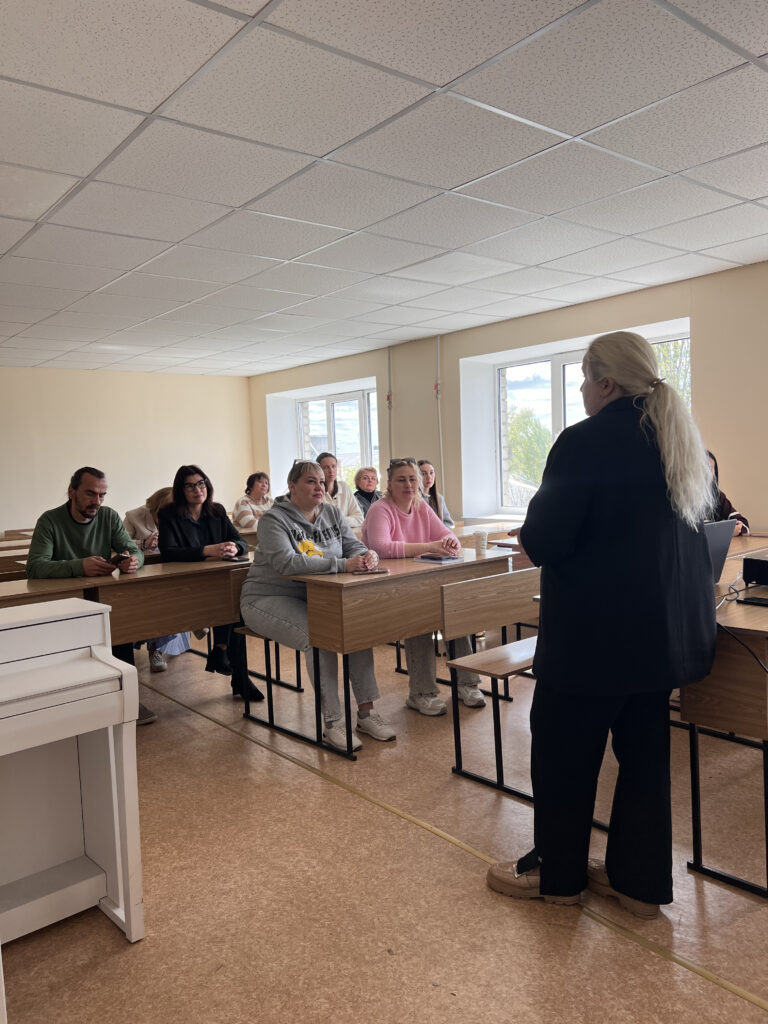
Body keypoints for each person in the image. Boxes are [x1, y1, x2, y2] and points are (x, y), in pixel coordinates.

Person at [486, 331, 716, 918]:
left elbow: (542, 540)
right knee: (645, 766)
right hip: (659, 647)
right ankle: (639, 885)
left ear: (605, 382)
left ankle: (559, 877)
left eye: (585, 381)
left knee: (564, 758)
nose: (584, 392)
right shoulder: (677, 440)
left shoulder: (583, 442)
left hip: (591, 645)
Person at [240, 460, 394, 751]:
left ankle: (367, 713)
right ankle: (333, 722)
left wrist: (367, 554)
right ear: (292, 486)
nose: (319, 487)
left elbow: (352, 546)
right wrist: (343, 565)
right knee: (318, 638)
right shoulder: (273, 519)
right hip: (267, 598)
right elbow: (287, 563)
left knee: (356, 628)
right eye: (311, 481)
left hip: (318, 596)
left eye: (322, 481)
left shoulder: (331, 512)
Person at [26, 466, 156, 725]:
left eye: (102, 495)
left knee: (120, 624)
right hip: (64, 603)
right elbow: (35, 567)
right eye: (90, 493)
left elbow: (132, 550)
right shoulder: (49, 521)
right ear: (71, 492)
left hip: (102, 598)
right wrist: (79, 566)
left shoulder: (108, 516)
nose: (97, 501)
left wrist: (133, 561)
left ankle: (127, 699)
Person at [362, 457, 486, 715]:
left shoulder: (421, 506)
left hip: (420, 581)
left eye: (412, 479)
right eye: (401, 480)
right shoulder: (380, 509)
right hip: (387, 587)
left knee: (454, 611)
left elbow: (447, 535)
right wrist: (430, 546)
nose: (408, 484)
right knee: (419, 620)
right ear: (390, 483)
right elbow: (381, 547)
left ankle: (467, 683)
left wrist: (450, 543)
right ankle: (421, 693)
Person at [158, 465, 262, 702]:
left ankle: (228, 660)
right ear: (180, 490)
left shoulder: (216, 511)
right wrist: (207, 550)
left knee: (237, 603)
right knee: (232, 607)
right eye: (190, 486)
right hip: (186, 586)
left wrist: (234, 547)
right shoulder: (168, 514)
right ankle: (226, 658)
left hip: (217, 582)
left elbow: (241, 541)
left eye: (201, 483)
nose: (198, 490)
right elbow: (168, 552)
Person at [124, 486, 190, 673]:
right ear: (155, 508)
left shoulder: (181, 515)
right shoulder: (134, 516)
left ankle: (191, 620)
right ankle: (156, 648)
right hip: (140, 573)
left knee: (177, 591)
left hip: (168, 569)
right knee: (158, 599)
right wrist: (143, 543)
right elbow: (120, 544)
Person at [317, 452, 364, 530]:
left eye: (333, 466)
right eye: (326, 467)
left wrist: (337, 520)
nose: (331, 471)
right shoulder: (316, 491)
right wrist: (345, 520)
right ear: (319, 470)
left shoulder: (344, 487)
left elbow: (359, 519)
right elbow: (320, 522)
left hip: (347, 535)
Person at [706, 451, 749, 535]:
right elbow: (689, 533)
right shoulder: (682, 499)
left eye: (709, 468)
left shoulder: (717, 496)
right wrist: (724, 532)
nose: (706, 472)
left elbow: (743, 524)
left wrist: (733, 529)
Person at [418, 459, 454, 528]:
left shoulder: (439, 498)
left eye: (431, 473)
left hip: (438, 534)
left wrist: (439, 530)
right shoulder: (413, 499)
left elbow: (450, 523)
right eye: (423, 474)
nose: (429, 477)